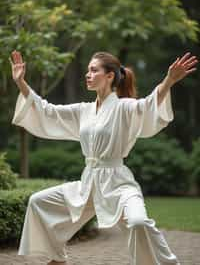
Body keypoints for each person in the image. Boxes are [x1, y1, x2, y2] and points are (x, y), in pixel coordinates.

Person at [10, 50, 198, 265]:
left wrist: (169, 80)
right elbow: (47, 111)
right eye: (87, 71)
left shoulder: (124, 107)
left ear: (109, 76)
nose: (88, 75)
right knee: (38, 202)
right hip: (89, 184)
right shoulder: (83, 111)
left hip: (118, 184)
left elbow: (148, 105)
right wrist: (21, 82)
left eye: (93, 70)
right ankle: (56, 259)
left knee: (137, 222)